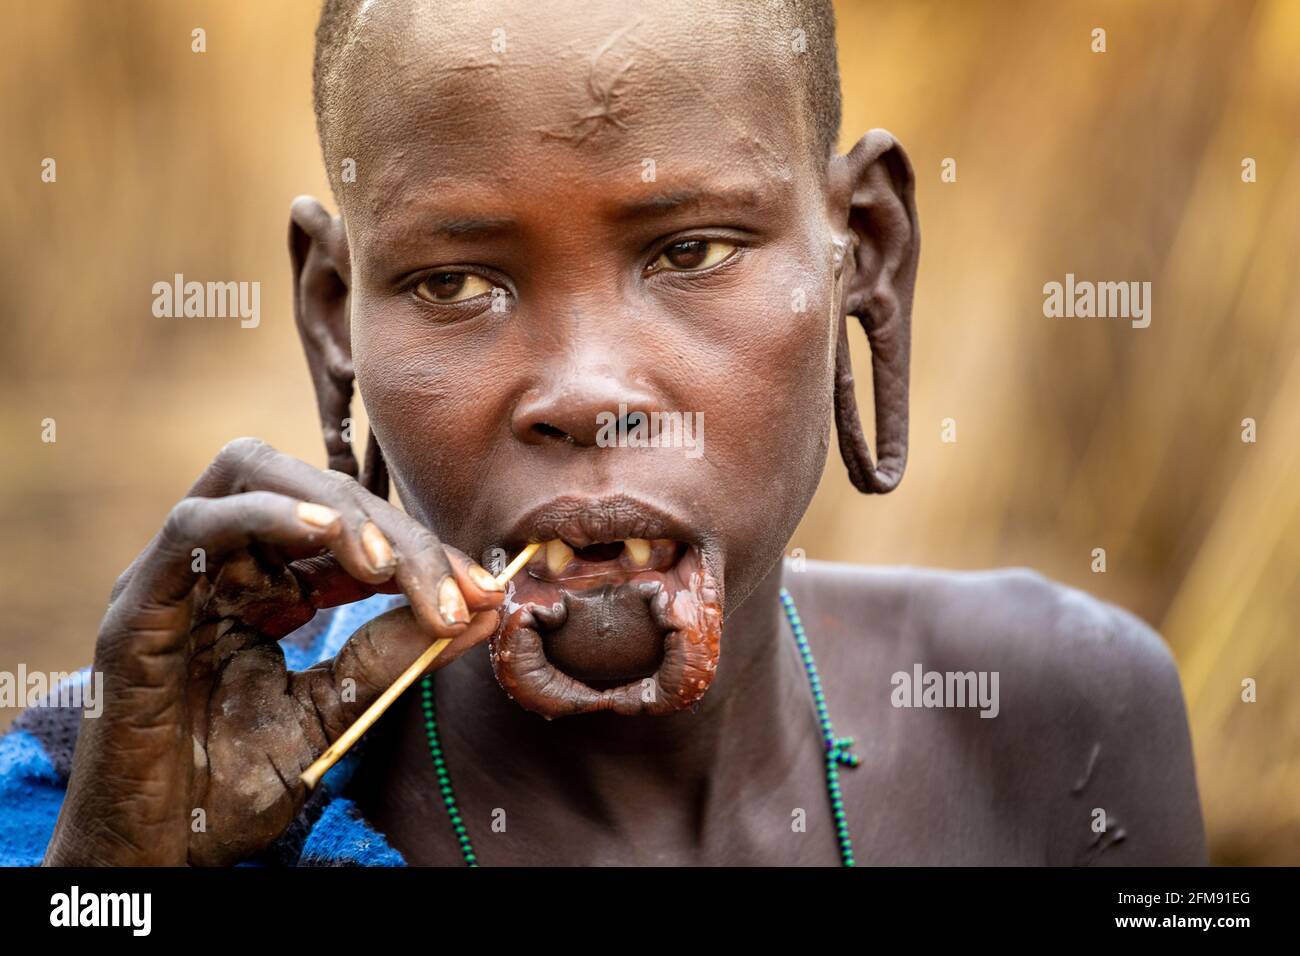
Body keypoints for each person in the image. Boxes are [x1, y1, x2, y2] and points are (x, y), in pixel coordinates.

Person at [1, 0, 1206, 866]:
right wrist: (117, 872)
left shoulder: (1059, 720)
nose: (583, 391)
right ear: (334, 319)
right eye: (454, 282)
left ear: (865, 256)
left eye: (689, 252)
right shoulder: (148, 775)